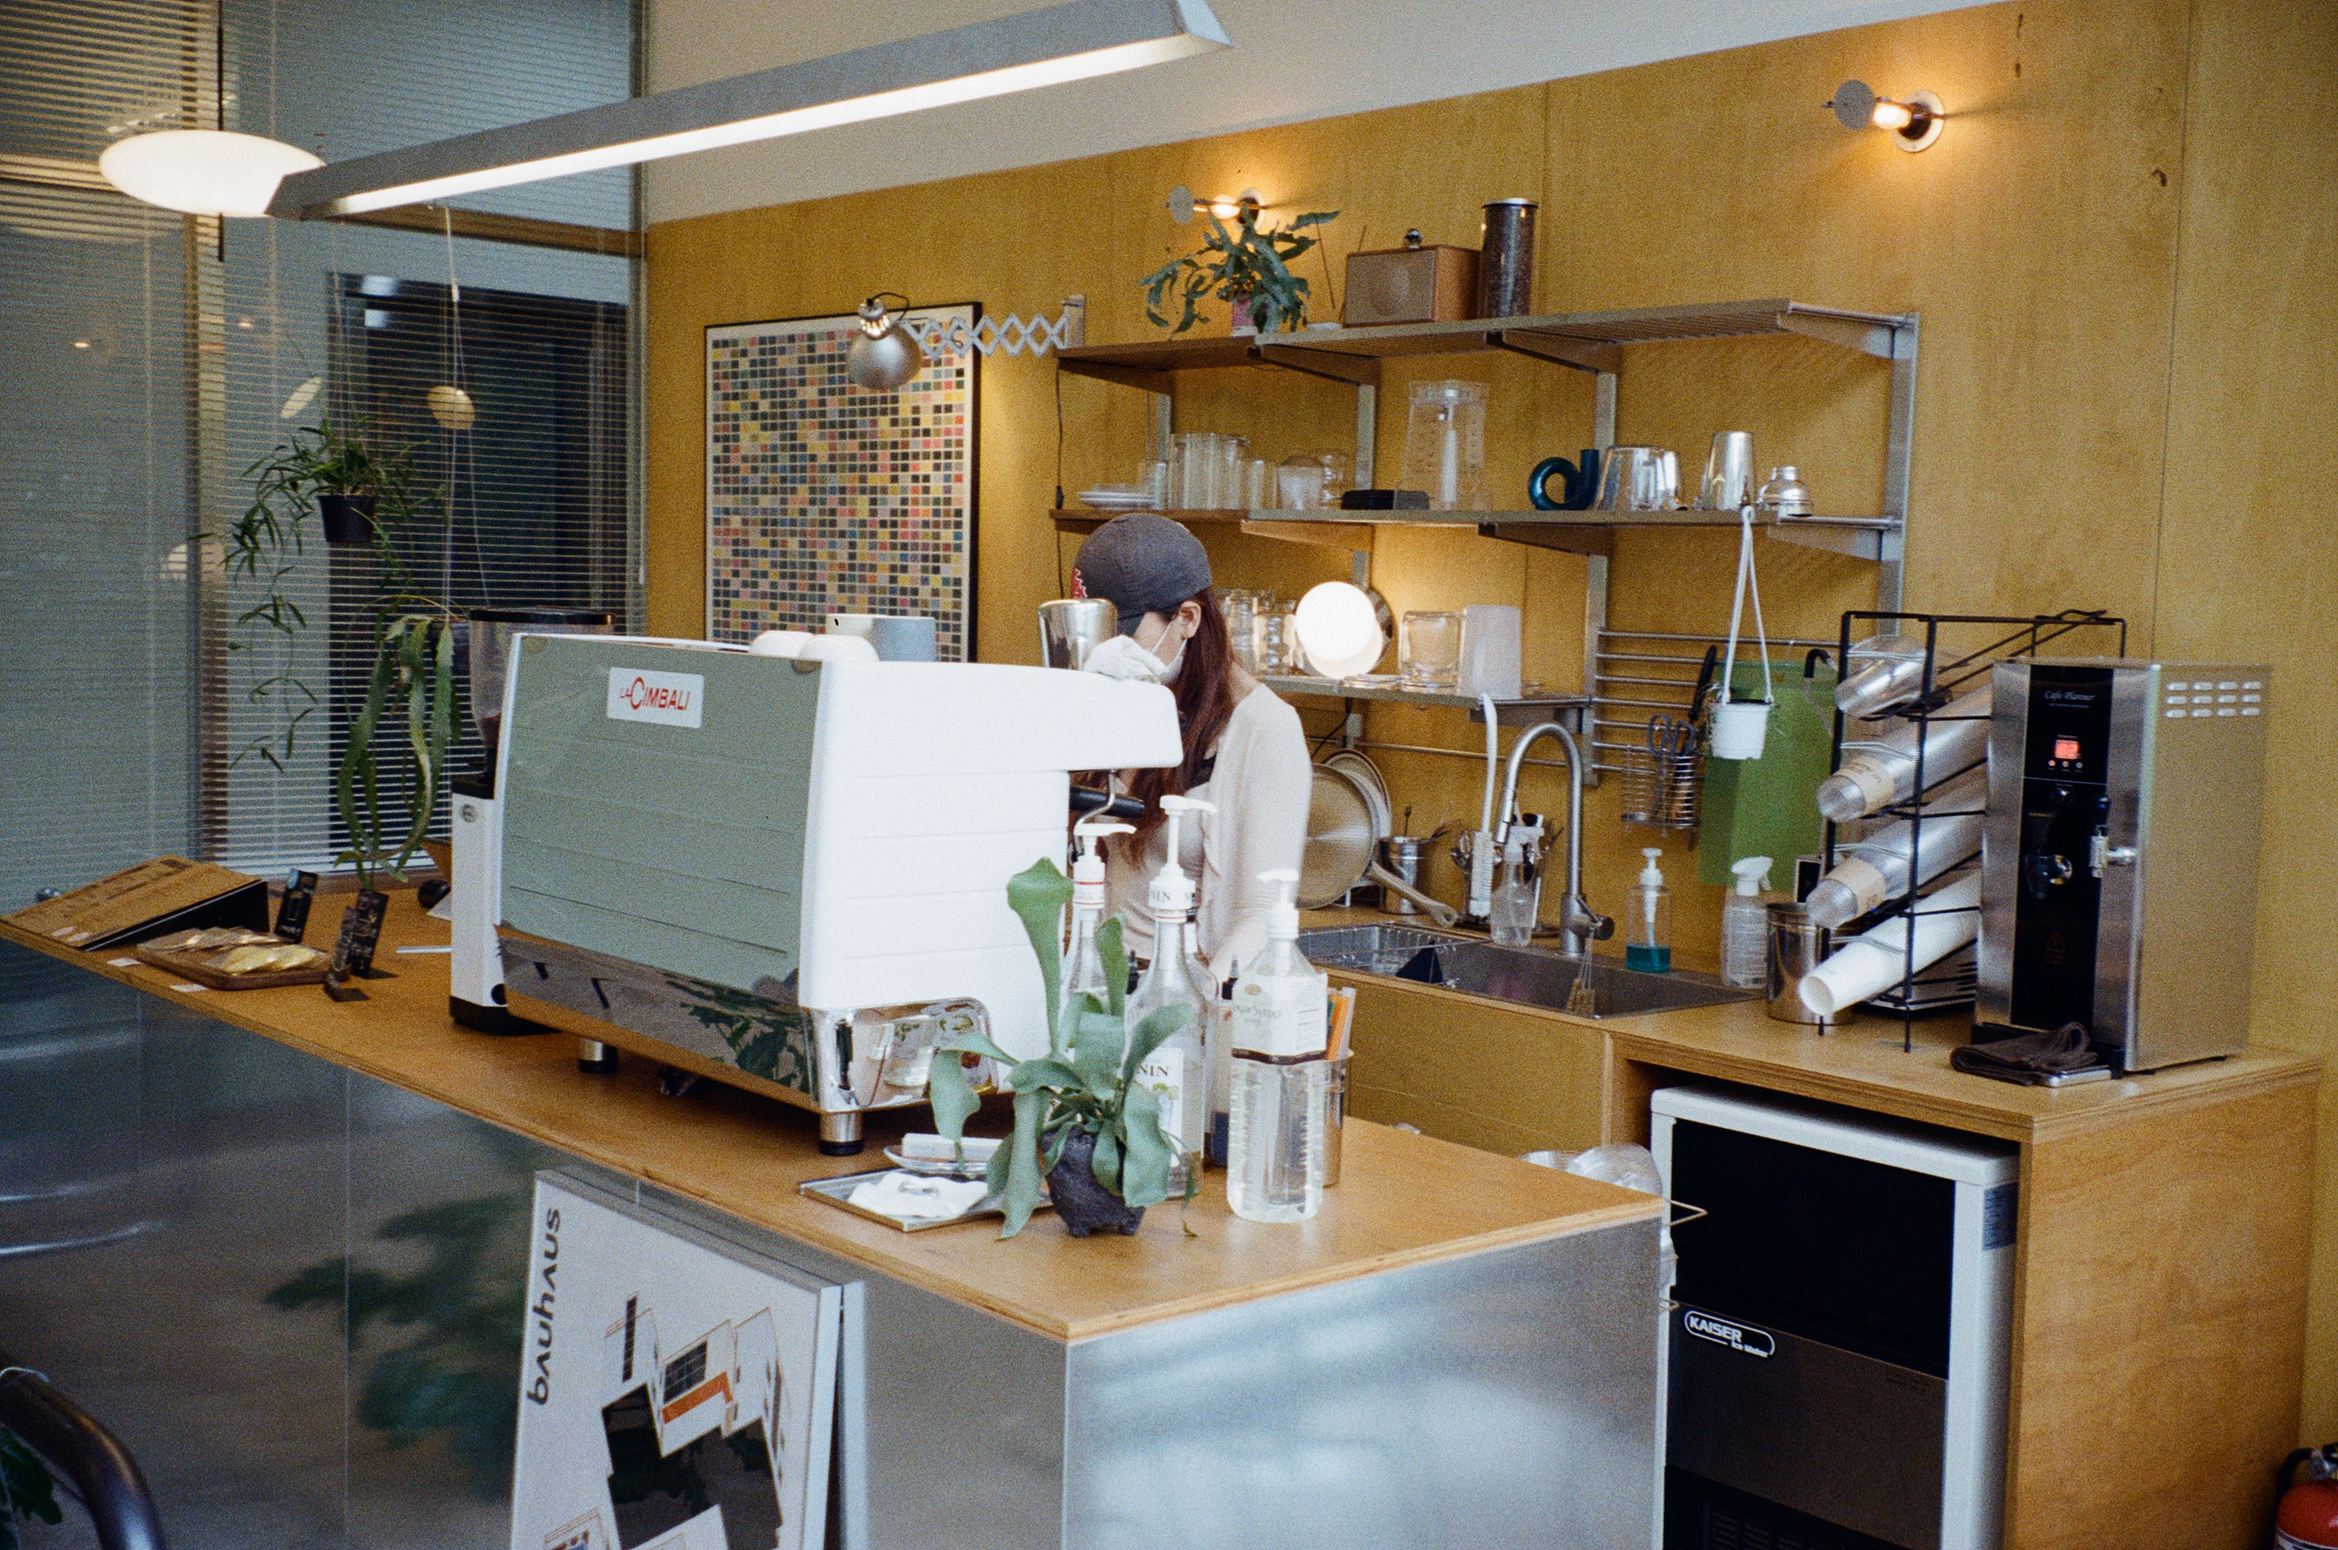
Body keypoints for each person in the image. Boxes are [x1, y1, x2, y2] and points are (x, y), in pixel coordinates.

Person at [1070, 513, 1311, 980]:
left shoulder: (1265, 728)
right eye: (1099, 636)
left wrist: (1195, 1005)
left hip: (1187, 986)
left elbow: (1260, 916)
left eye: (1125, 635)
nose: (1111, 653)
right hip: (1101, 979)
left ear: (1187, 619)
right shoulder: (1124, 701)